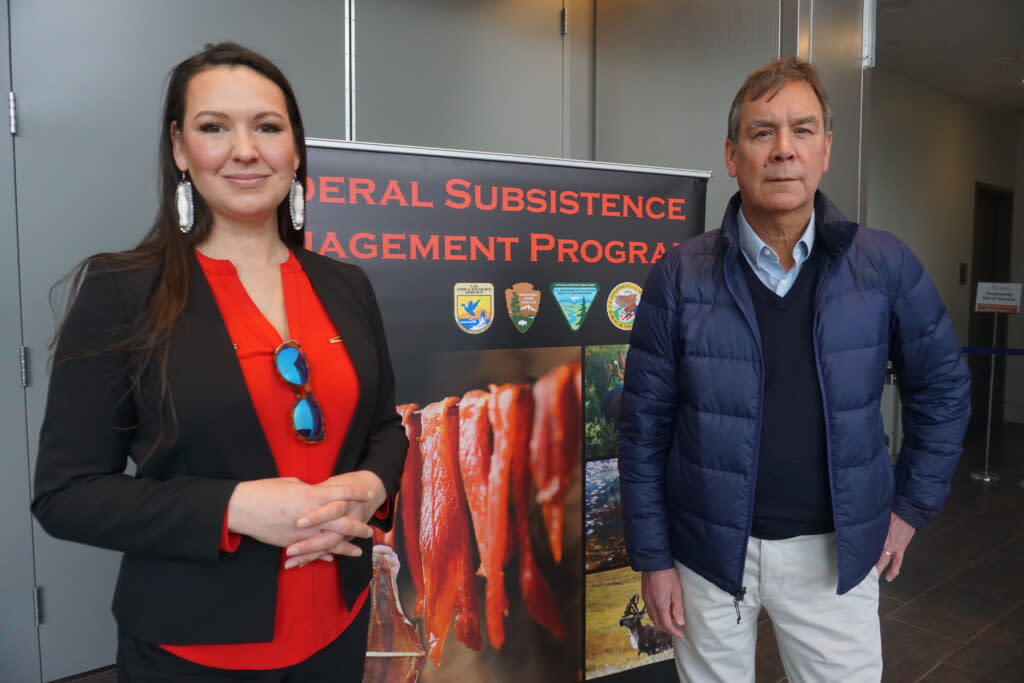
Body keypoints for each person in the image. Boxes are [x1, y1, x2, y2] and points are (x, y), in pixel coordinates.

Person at [32, 42, 407, 682]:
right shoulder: (124, 290)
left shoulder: (347, 286)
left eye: (267, 126)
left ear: (294, 149)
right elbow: (67, 495)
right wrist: (233, 508)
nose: (245, 149)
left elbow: (384, 430)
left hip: (337, 629)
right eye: (214, 128)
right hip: (193, 650)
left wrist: (370, 489)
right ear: (180, 149)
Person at [618, 56, 970, 682]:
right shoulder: (680, 274)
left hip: (834, 559)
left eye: (802, 130)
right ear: (732, 156)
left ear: (826, 149)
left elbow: (942, 389)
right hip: (707, 557)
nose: (784, 150)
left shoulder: (882, 265)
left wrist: (911, 508)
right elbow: (643, 428)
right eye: (762, 132)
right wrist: (654, 557)